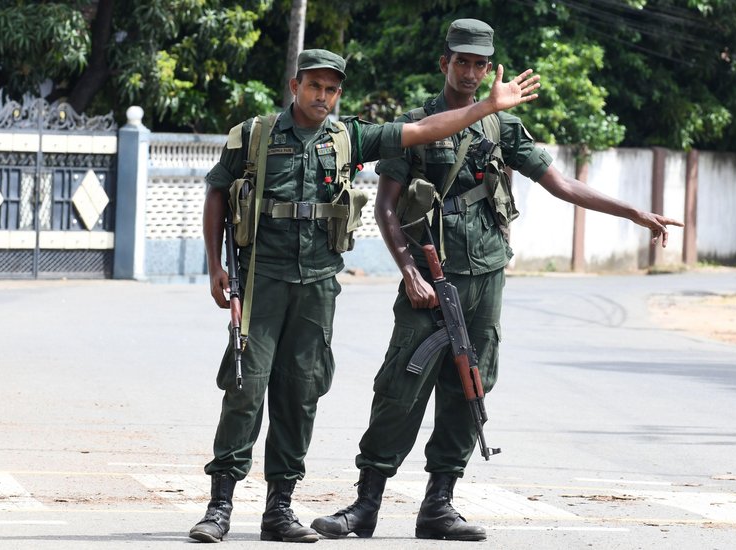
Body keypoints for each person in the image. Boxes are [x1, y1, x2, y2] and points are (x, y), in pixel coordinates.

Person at [311, 19, 684, 542]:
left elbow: (561, 183)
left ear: (489, 68)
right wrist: (409, 271)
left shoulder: (502, 127)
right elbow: (387, 208)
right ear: (444, 63)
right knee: (400, 386)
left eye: (478, 64)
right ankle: (367, 503)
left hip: (485, 276)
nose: (468, 71)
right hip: (429, 278)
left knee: (470, 385)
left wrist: (634, 213)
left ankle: (439, 504)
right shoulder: (416, 123)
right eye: (460, 61)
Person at [189, 48, 541, 544]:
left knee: (301, 394)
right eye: (315, 86)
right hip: (259, 281)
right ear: (295, 86)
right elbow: (218, 194)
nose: (323, 96)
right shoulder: (254, 135)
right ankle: (220, 507)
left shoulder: (349, 137)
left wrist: (487, 108)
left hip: (317, 286)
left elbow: (421, 132)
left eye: (332, 89)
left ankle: (278, 510)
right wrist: (214, 266)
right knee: (246, 390)